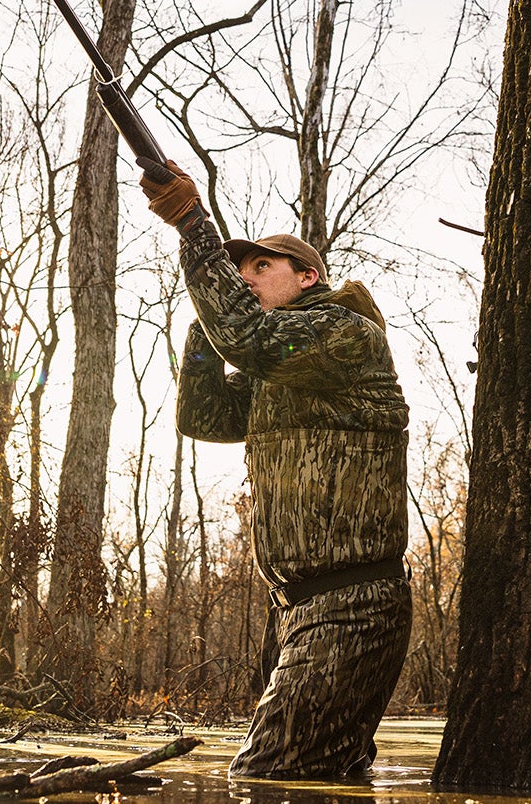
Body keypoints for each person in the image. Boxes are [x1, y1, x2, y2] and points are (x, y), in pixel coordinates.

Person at [142, 161, 412, 780]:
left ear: (309, 276)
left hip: (352, 605)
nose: (247, 277)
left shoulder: (342, 333)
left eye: (262, 266)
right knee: (322, 776)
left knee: (266, 780)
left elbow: (248, 336)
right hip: (300, 610)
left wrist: (192, 223)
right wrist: (205, 328)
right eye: (240, 271)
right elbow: (203, 415)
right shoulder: (279, 371)